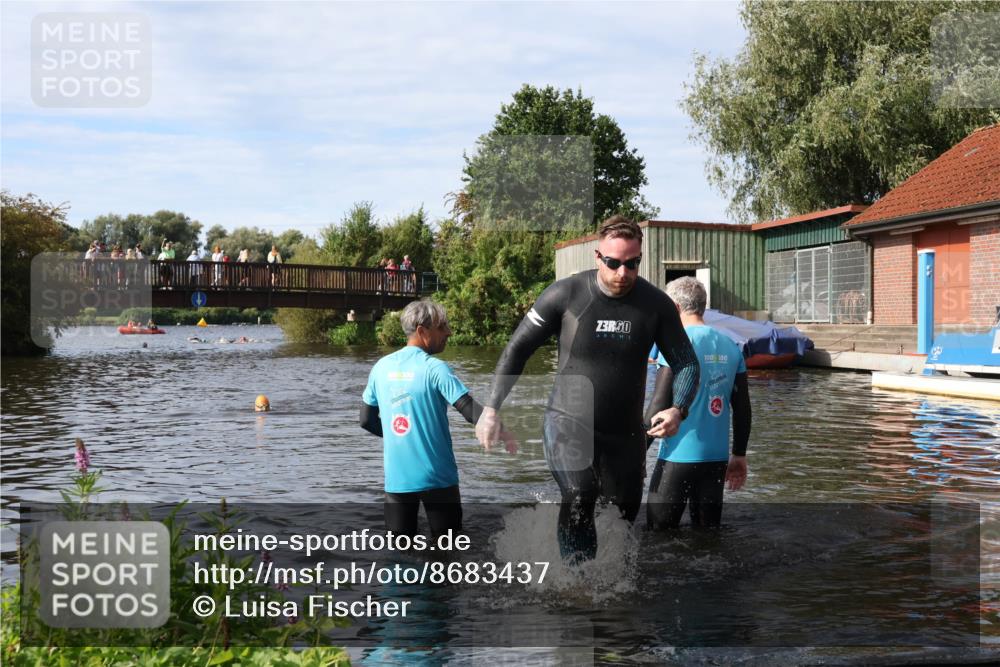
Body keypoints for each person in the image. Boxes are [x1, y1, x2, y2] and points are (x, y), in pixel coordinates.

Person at [475, 214, 700, 563]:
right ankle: (574, 580)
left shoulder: (655, 306)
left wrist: (678, 408)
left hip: (624, 434)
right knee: (580, 494)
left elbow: (686, 363)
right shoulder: (565, 294)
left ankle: (608, 589)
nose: (622, 273)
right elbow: (517, 349)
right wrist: (491, 410)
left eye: (632, 264)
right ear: (598, 257)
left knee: (621, 518)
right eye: (613, 263)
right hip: (567, 422)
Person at [361, 300, 516, 538]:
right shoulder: (435, 369)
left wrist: (397, 436)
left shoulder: (380, 368)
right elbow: (470, 411)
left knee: (400, 555)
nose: (449, 332)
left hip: (397, 481)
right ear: (422, 332)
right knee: (449, 552)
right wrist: (502, 431)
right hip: (438, 479)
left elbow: (366, 420)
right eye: (442, 327)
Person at [645, 277, 751, 530]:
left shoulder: (676, 343)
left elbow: (659, 405)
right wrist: (739, 455)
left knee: (659, 538)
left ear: (674, 307)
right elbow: (743, 408)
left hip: (678, 456)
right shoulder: (731, 346)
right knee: (708, 538)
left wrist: (638, 452)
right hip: (716, 459)